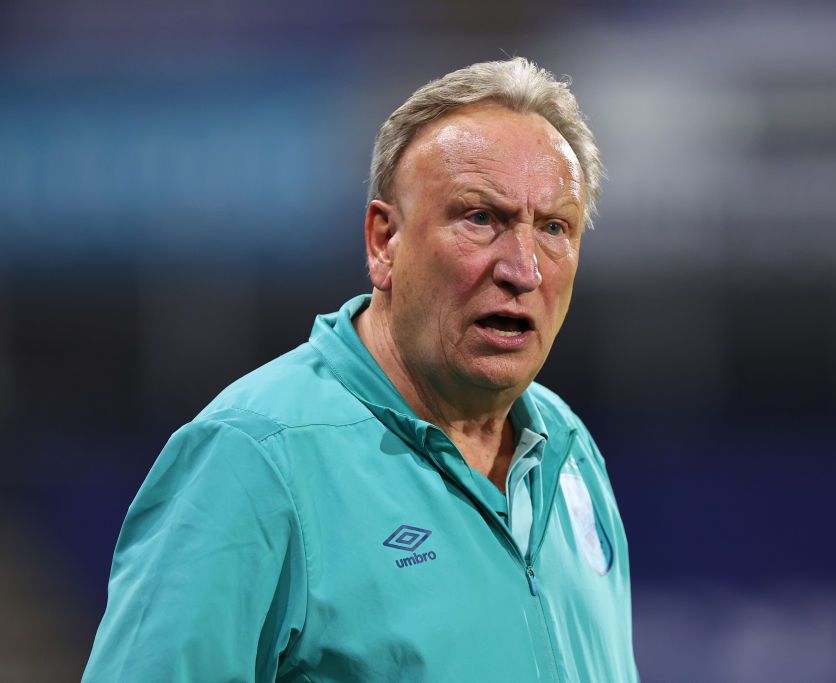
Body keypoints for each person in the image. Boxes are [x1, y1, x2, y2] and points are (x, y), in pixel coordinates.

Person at [83, 57, 638, 682]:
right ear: (384, 241)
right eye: (482, 218)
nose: (522, 269)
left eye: (554, 228)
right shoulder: (255, 459)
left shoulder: (568, 449)